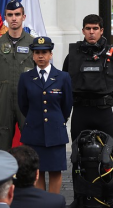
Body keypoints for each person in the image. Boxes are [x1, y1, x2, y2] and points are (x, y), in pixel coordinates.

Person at [17, 37, 73, 194]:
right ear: (33, 56)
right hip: (34, 132)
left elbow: (67, 105)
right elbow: (23, 104)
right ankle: (41, 203)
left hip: (55, 132)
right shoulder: (25, 78)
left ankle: (53, 203)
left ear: (51, 54)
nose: (41, 56)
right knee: (37, 171)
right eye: (37, 53)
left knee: (55, 170)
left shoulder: (63, 77)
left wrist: (56, 121)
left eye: (44, 52)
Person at [62, 14, 113, 142]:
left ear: (101, 31)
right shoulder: (72, 56)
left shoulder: (112, 56)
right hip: (81, 111)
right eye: (88, 28)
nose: (91, 32)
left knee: (109, 155)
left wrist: (106, 99)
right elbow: (65, 83)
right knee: (77, 155)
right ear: (83, 31)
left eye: (95, 28)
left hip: (103, 111)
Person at [0, 0, 34, 151]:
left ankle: (31, 175)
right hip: (3, 99)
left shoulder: (34, 44)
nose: (14, 18)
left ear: (23, 17)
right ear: (5, 17)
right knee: (2, 141)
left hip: (27, 99)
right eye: (10, 14)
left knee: (30, 140)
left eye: (17, 14)